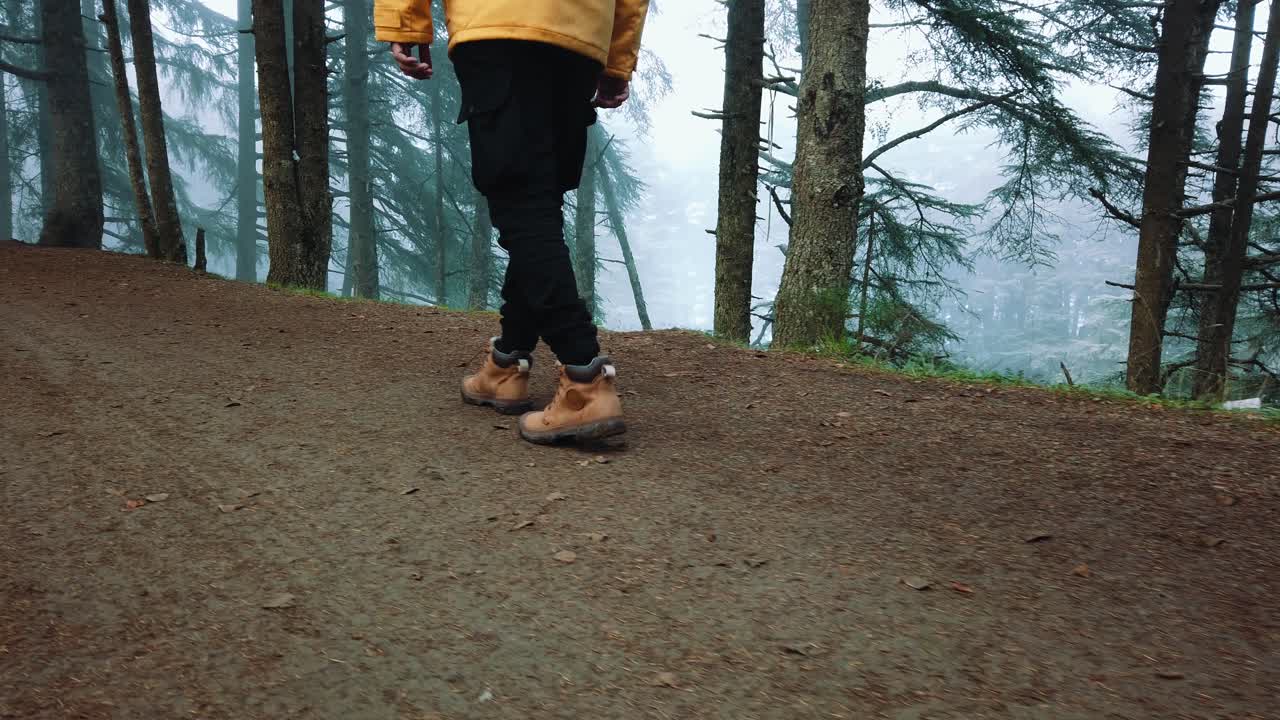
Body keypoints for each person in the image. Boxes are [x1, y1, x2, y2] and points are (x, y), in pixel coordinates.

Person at [375, 1, 648, 445]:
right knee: (536, 203)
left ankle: (585, 382)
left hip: (499, 25)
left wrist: (405, 22)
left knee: (523, 203)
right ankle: (506, 367)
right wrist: (617, 58)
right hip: (580, 34)